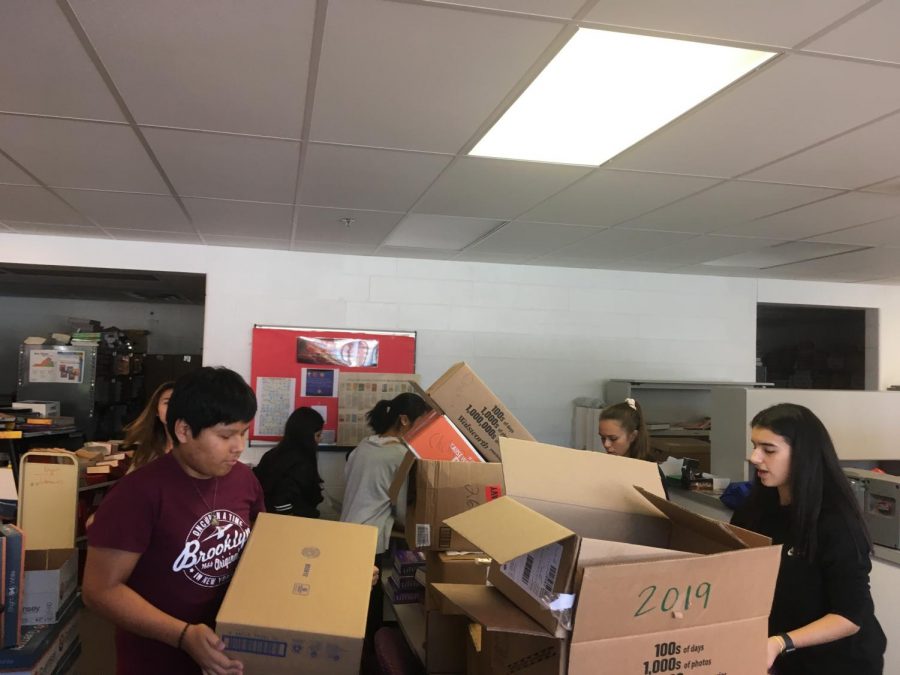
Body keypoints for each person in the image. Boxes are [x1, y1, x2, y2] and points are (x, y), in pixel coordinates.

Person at [83, 367, 263, 675]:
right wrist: (182, 635)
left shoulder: (243, 479)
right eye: (225, 435)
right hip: (157, 660)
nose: (239, 446)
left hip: (230, 655)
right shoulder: (138, 493)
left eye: (243, 432)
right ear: (183, 431)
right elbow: (100, 591)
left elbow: (265, 543)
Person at [730, 403, 886, 674]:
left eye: (768, 450)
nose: (754, 457)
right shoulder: (754, 511)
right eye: (754, 445)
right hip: (779, 655)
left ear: (802, 455)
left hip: (837, 663)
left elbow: (849, 616)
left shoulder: (836, 523)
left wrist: (781, 642)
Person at [340, 392, 430, 656]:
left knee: (350, 601)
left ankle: (349, 652)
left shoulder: (363, 447)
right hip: (370, 539)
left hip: (345, 532)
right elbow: (400, 508)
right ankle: (370, 656)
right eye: (421, 423)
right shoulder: (401, 455)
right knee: (371, 603)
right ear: (404, 420)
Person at [253, 406, 325, 518]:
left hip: (265, 519)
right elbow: (282, 501)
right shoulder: (301, 462)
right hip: (291, 524)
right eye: (318, 435)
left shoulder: (273, 454)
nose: (321, 439)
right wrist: (290, 525)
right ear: (306, 436)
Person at [599, 398, 668, 497]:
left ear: (632, 436)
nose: (606, 444)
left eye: (613, 439)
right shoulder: (602, 466)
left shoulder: (650, 473)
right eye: (602, 438)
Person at [122, 381, 175, 472]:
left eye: (180, 403)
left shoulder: (197, 451)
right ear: (156, 410)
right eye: (167, 402)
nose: (174, 407)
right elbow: (130, 482)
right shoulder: (148, 450)